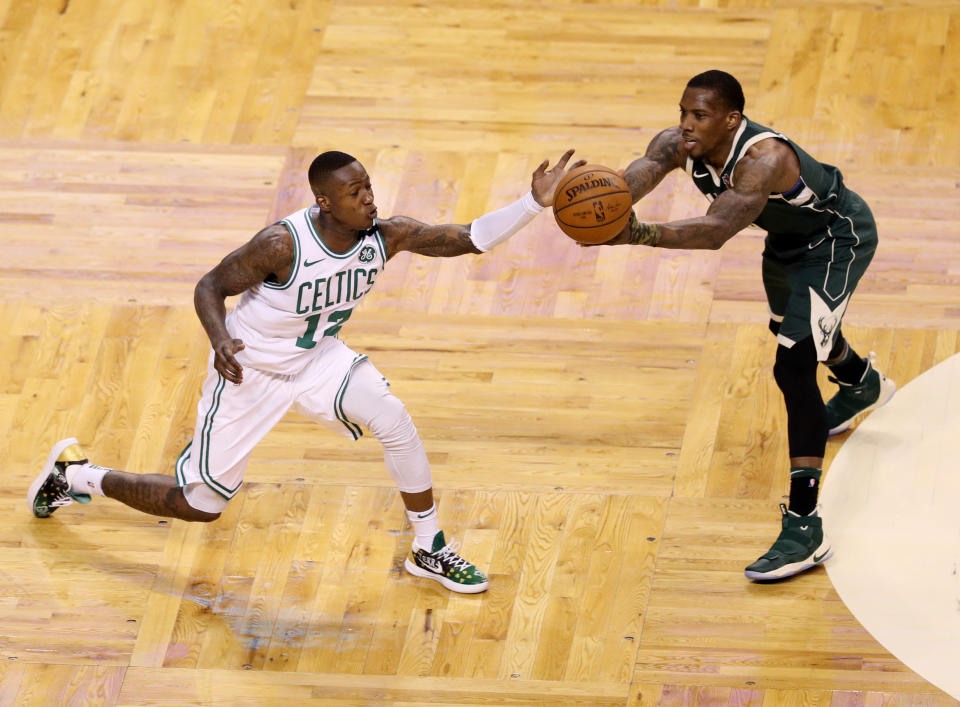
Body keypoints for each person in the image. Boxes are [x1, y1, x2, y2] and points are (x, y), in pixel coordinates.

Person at [28, 148, 581, 594]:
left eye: (369, 186)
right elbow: (210, 286)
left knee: (394, 420)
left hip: (318, 360)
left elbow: (465, 238)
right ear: (323, 201)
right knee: (198, 505)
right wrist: (221, 340)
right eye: (356, 192)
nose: (370, 198)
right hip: (252, 370)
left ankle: (428, 546)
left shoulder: (385, 236)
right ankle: (74, 475)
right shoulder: (281, 245)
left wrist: (531, 204)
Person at [596, 70, 895, 580]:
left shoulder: (765, 160)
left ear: (732, 120)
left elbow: (714, 232)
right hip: (785, 244)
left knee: (792, 366)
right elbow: (629, 184)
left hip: (834, 242)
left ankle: (804, 527)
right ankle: (860, 382)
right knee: (798, 334)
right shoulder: (676, 144)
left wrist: (638, 234)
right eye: (684, 112)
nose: (686, 125)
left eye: (701, 116)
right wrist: (588, 203)